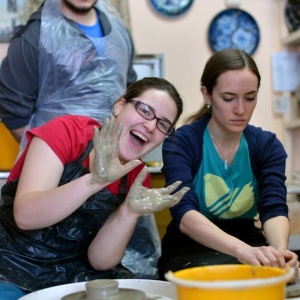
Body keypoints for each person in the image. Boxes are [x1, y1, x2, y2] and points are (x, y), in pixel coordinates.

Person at [0, 77, 189, 299]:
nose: (150, 126)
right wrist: (95, 181)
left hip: (76, 272)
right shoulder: (68, 133)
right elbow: (26, 216)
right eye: (145, 111)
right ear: (119, 106)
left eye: (163, 125)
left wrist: (129, 212)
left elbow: (100, 260)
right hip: (12, 263)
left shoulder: (137, 178)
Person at [157, 49, 299, 281]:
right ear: (207, 94)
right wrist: (242, 251)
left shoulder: (267, 146)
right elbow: (185, 214)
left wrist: (280, 255)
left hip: (249, 242)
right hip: (190, 249)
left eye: (250, 98)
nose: (241, 110)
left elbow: (273, 208)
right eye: (229, 98)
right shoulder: (181, 142)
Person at [0, 0, 137, 150]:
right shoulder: (33, 37)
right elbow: (14, 114)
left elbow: (130, 91)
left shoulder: (119, 31)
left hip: (113, 160)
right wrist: (53, 158)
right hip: (56, 166)